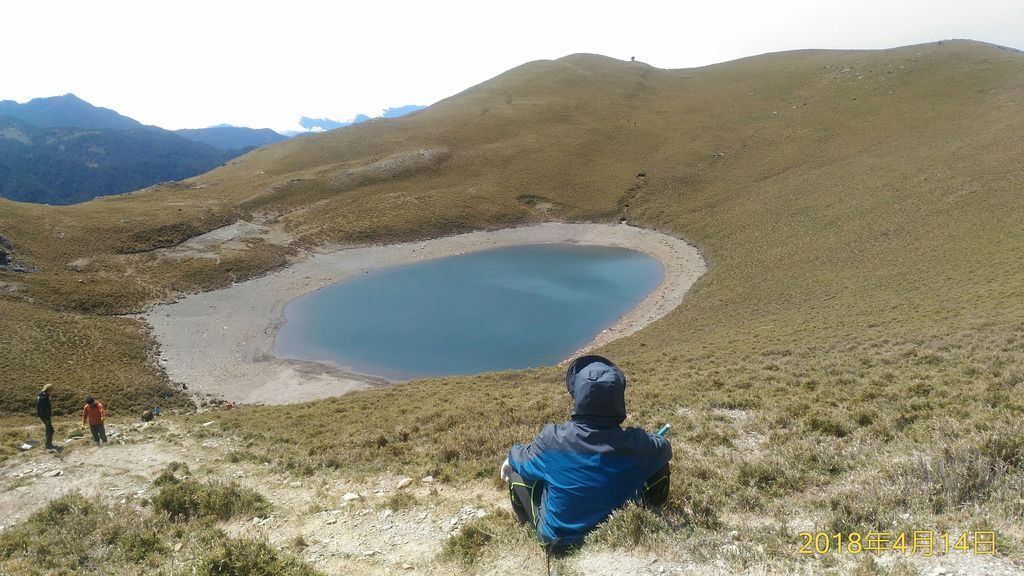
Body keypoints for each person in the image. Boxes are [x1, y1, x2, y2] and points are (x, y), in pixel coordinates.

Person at [500, 355, 671, 553]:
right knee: (659, 464)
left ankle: (528, 526)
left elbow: (520, 457)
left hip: (558, 543)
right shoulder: (638, 444)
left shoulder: (552, 440)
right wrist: (646, 439)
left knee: (516, 475)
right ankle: (651, 511)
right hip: (615, 532)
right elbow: (664, 447)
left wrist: (510, 457)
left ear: (579, 396)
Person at [36, 384, 56, 450]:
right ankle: (48, 445)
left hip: (45, 416)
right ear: (48, 390)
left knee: (50, 430)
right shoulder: (43, 398)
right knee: (50, 430)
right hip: (45, 416)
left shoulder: (42, 395)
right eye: (51, 390)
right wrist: (46, 418)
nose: (52, 391)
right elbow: (42, 409)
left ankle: (48, 444)